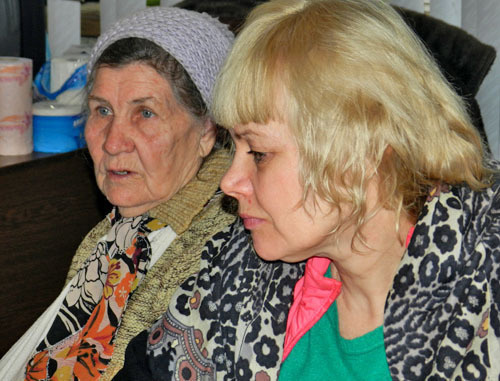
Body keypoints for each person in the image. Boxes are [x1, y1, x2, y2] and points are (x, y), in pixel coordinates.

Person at [116, 0, 499, 379]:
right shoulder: (241, 273)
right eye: (235, 147)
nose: (229, 182)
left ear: (360, 151)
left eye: (260, 153)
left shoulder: (482, 300)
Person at [0, 7, 235, 380]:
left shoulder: (224, 255)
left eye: (145, 113)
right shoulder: (116, 233)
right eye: (103, 110)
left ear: (207, 131)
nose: (112, 142)